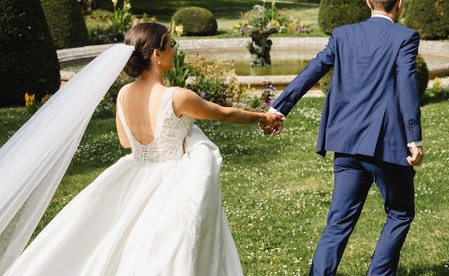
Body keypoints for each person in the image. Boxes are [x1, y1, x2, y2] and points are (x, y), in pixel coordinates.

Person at [3, 22, 281, 275]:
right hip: (172, 178)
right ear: (157, 55)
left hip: (134, 172)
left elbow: (126, 142)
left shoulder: (123, 94)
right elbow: (224, 114)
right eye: (171, 44)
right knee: (168, 248)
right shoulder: (177, 97)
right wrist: (262, 116)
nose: (174, 49)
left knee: (117, 240)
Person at [264, 0, 424, 276]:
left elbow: (313, 70)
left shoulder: (342, 34)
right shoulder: (405, 37)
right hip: (388, 147)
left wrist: (279, 108)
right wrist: (414, 140)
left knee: (338, 221)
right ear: (400, 4)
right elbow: (406, 84)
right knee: (400, 213)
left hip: (346, 143)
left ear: (368, 1)